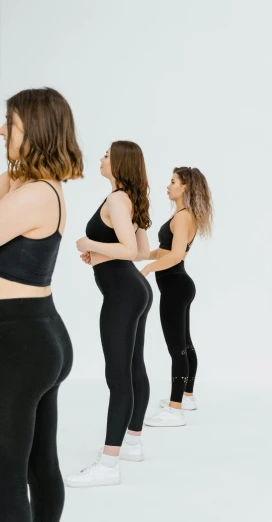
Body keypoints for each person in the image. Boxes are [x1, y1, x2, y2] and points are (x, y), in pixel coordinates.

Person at [0, 88, 83, 522]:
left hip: (21, 344)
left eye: (9, 124)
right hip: (37, 335)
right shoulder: (33, 186)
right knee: (38, 465)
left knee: (6, 475)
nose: (1, 131)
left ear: (31, 131)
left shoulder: (33, 195)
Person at [66, 141, 153, 488]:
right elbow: (141, 250)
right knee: (133, 369)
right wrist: (101, 254)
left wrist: (89, 245)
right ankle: (132, 443)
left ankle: (108, 464)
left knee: (118, 377)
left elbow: (131, 250)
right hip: (135, 291)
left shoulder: (118, 198)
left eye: (106, 154)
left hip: (122, 294)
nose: (101, 158)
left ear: (119, 162)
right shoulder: (127, 198)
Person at [141, 166, 213, 427]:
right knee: (185, 344)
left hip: (175, 287)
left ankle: (175, 409)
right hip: (179, 286)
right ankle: (187, 396)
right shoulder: (184, 215)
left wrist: (147, 269)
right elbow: (164, 251)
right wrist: (137, 255)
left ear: (185, 187)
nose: (168, 185)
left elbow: (176, 255)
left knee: (177, 350)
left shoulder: (183, 217)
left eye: (173, 181)